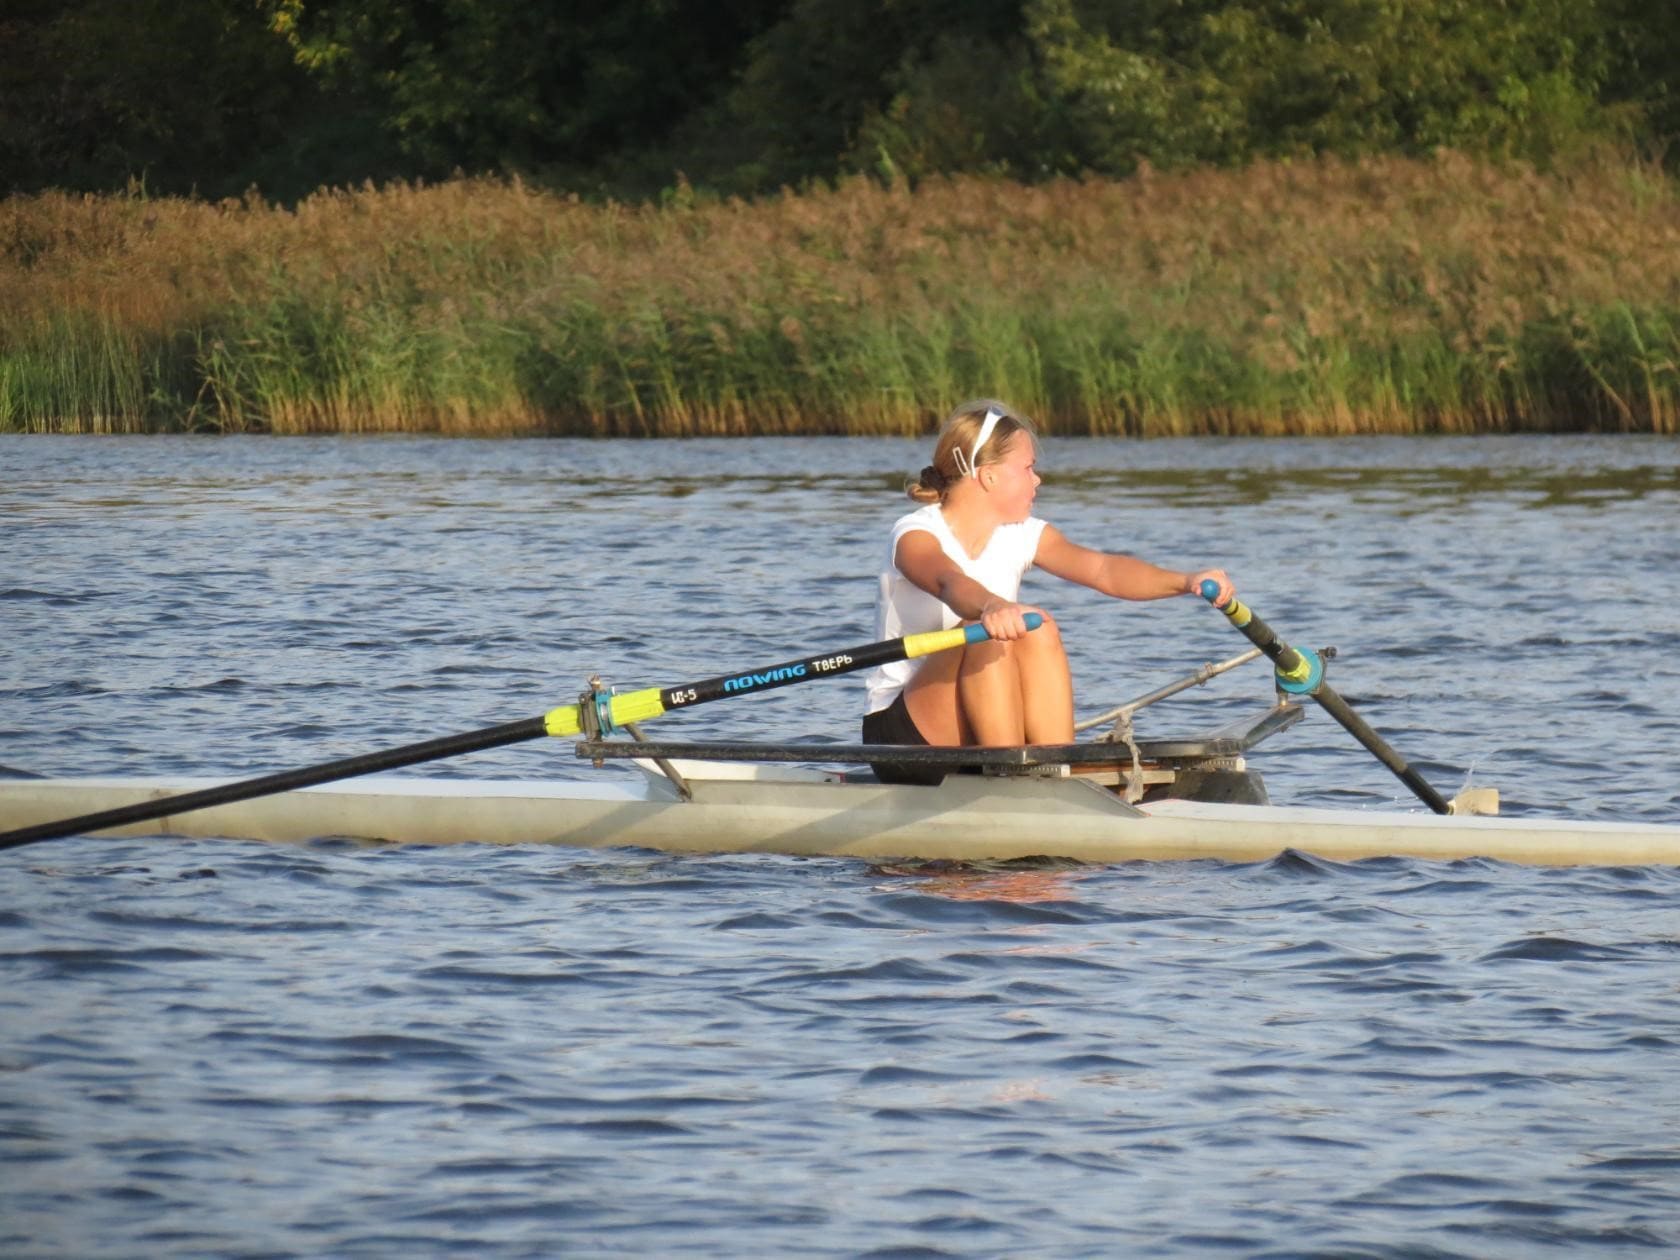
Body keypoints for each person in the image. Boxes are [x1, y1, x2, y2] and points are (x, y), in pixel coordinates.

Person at [862, 399, 1234, 784]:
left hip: (975, 729)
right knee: (985, 628)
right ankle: (1011, 777)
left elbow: (1104, 570)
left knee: (1038, 626)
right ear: (988, 476)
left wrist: (1184, 581)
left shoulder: (1022, 534)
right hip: (903, 739)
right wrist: (992, 606)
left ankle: (1058, 772)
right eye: (1028, 468)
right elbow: (948, 581)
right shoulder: (914, 534)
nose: (1037, 480)